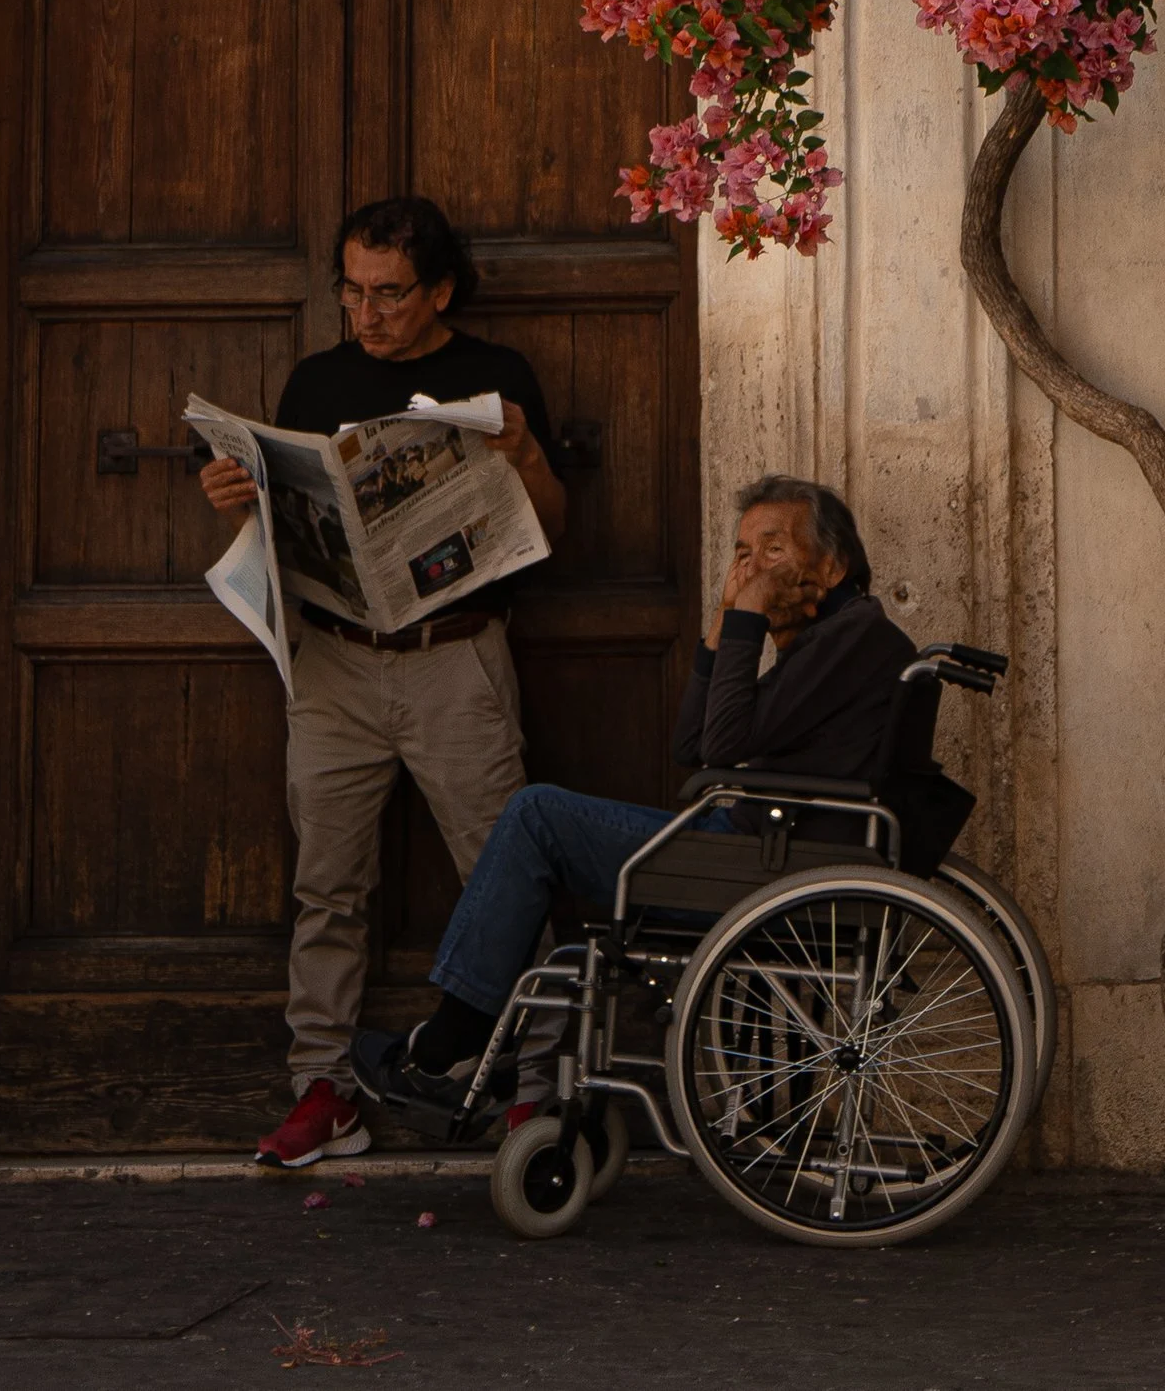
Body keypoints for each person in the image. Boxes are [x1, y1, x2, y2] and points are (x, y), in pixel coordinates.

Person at [352, 475, 914, 1122]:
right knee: (540, 819)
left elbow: (722, 748)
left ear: (833, 564)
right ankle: (463, 1043)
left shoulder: (851, 639)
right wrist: (719, 629)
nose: (752, 567)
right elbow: (692, 744)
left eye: (773, 549)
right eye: (741, 553)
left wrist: (748, 618)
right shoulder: (830, 642)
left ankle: (451, 1046)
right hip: (759, 853)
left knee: (537, 815)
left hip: (770, 868)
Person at [201, 196, 570, 1170]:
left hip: (455, 654)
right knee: (326, 883)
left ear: (440, 290)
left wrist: (525, 449)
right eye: (353, 292)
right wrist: (240, 500)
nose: (368, 314)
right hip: (334, 662)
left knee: (503, 877)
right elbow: (287, 535)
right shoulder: (318, 379)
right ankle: (321, 1088)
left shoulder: (494, 378)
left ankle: (530, 1087)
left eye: (391, 294)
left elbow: (555, 531)